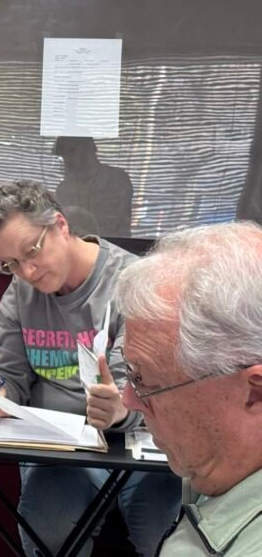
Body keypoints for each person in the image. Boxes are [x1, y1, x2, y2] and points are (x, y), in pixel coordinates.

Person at [0, 180, 179, 557]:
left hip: (138, 444)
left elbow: (138, 388)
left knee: (164, 532)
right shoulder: (20, 293)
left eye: (31, 251)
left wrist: (118, 409)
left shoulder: (133, 282)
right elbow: (4, 375)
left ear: (61, 226)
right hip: (59, 447)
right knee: (47, 528)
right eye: (11, 264)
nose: (28, 271)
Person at [115, 221, 262, 556]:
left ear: (255, 392)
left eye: (145, 381)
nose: (129, 399)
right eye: (130, 373)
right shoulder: (219, 472)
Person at [53, 136, 133, 238]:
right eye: (64, 154)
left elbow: (119, 220)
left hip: (114, 245)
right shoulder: (64, 189)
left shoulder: (116, 179)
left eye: (72, 151)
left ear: (90, 149)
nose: (68, 159)